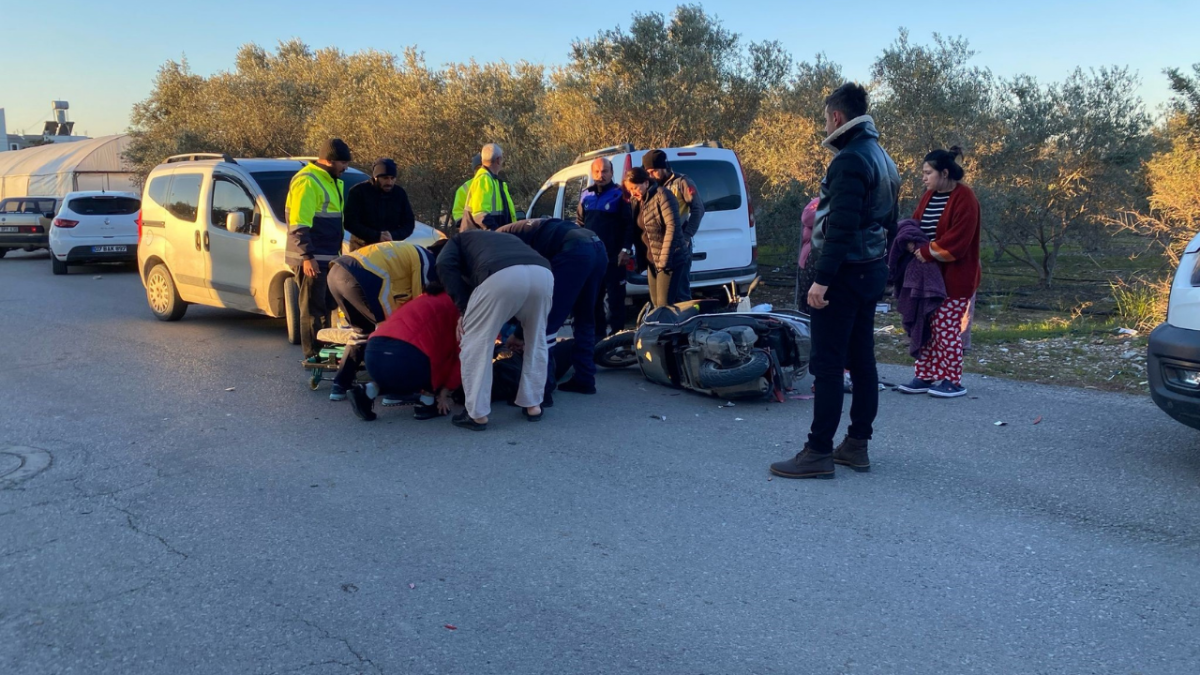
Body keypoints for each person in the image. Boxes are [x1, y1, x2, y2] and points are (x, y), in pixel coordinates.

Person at [770, 82, 900, 480]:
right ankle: (857, 445)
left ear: (837, 116)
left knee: (827, 365)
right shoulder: (883, 156)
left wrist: (822, 281)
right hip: (870, 269)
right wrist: (886, 270)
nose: (825, 124)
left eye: (826, 118)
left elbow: (841, 226)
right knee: (862, 360)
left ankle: (818, 451)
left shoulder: (849, 159)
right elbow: (890, 222)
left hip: (843, 274)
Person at [436, 229, 553, 430]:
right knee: (536, 340)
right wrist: (519, 333)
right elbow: (523, 278)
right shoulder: (504, 238)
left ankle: (477, 414)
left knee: (476, 344)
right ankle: (533, 404)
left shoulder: (456, 241)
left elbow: (444, 264)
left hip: (499, 274)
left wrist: (464, 309)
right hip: (543, 273)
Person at [896, 147, 981, 399]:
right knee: (925, 324)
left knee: (946, 327)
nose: (923, 178)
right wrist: (909, 241)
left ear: (944, 173)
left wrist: (927, 251)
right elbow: (915, 224)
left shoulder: (965, 198)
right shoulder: (928, 196)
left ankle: (952, 380)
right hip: (928, 276)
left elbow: (959, 241)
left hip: (956, 277)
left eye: (928, 173)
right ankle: (925, 375)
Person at [498, 218, 608, 397]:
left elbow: (527, 292)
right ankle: (585, 379)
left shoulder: (499, 245)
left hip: (574, 251)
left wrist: (518, 334)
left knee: (546, 324)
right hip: (597, 247)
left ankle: (543, 391)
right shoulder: (512, 234)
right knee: (585, 318)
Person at [325, 240, 437, 402]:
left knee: (361, 332)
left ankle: (340, 384)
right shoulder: (427, 259)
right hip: (361, 276)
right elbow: (422, 302)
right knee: (394, 332)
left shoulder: (407, 253)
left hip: (336, 272)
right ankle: (395, 392)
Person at [347, 282, 462, 423]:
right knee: (438, 356)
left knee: (396, 371)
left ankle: (368, 390)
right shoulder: (457, 307)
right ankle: (427, 402)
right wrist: (446, 390)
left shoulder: (421, 298)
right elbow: (461, 354)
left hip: (373, 353)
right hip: (406, 358)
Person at [286, 138, 352, 364]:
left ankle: (325, 352)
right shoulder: (308, 181)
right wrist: (307, 257)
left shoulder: (330, 180)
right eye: (343, 163)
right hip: (312, 259)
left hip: (327, 257)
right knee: (312, 309)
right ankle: (313, 356)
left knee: (326, 306)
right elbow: (299, 224)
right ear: (329, 160)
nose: (345, 167)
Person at [577, 157, 635, 338]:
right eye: (597, 172)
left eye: (604, 171)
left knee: (616, 301)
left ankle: (617, 340)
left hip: (614, 258)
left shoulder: (620, 194)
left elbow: (629, 226)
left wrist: (626, 249)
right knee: (595, 301)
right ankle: (599, 341)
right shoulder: (586, 195)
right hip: (593, 259)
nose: (600, 175)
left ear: (611, 173)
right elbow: (580, 224)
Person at [643, 149, 704, 301]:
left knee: (680, 291)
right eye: (648, 172)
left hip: (678, 244)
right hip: (657, 246)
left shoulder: (681, 182)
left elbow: (698, 209)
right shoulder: (649, 187)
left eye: (654, 171)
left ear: (664, 167)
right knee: (660, 296)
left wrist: (686, 236)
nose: (651, 175)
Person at [622, 167, 686, 309]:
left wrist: (664, 260)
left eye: (635, 188)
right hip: (653, 260)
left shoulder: (662, 195)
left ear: (646, 183)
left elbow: (672, 227)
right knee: (656, 304)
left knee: (664, 306)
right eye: (630, 190)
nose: (633, 193)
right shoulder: (637, 201)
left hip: (670, 259)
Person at [343, 158, 416, 252]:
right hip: (362, 249)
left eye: (392, 178)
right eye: (385, 178)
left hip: (391, 249)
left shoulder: (399, 193)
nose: (389, 182)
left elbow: (409, 223)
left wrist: (393, 236)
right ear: (375, 177)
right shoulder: (358, 192)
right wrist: (376, 236)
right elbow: (350, 222)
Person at [460, 144, 517, 231]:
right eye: (502, 159)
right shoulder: (484, 179)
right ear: (498, 160)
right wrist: (496, 232)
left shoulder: (493, 180)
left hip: (485, 236)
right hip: (480, 237)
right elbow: (480, 214)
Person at [451, 154, 483, 224]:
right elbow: (458, 212)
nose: (481, 171)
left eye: (483, 168)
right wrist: (467, 226)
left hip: (495, 228)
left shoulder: (497, 185)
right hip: (472, 229)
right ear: (474, 170)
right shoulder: (464, 188)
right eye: (478, 168)